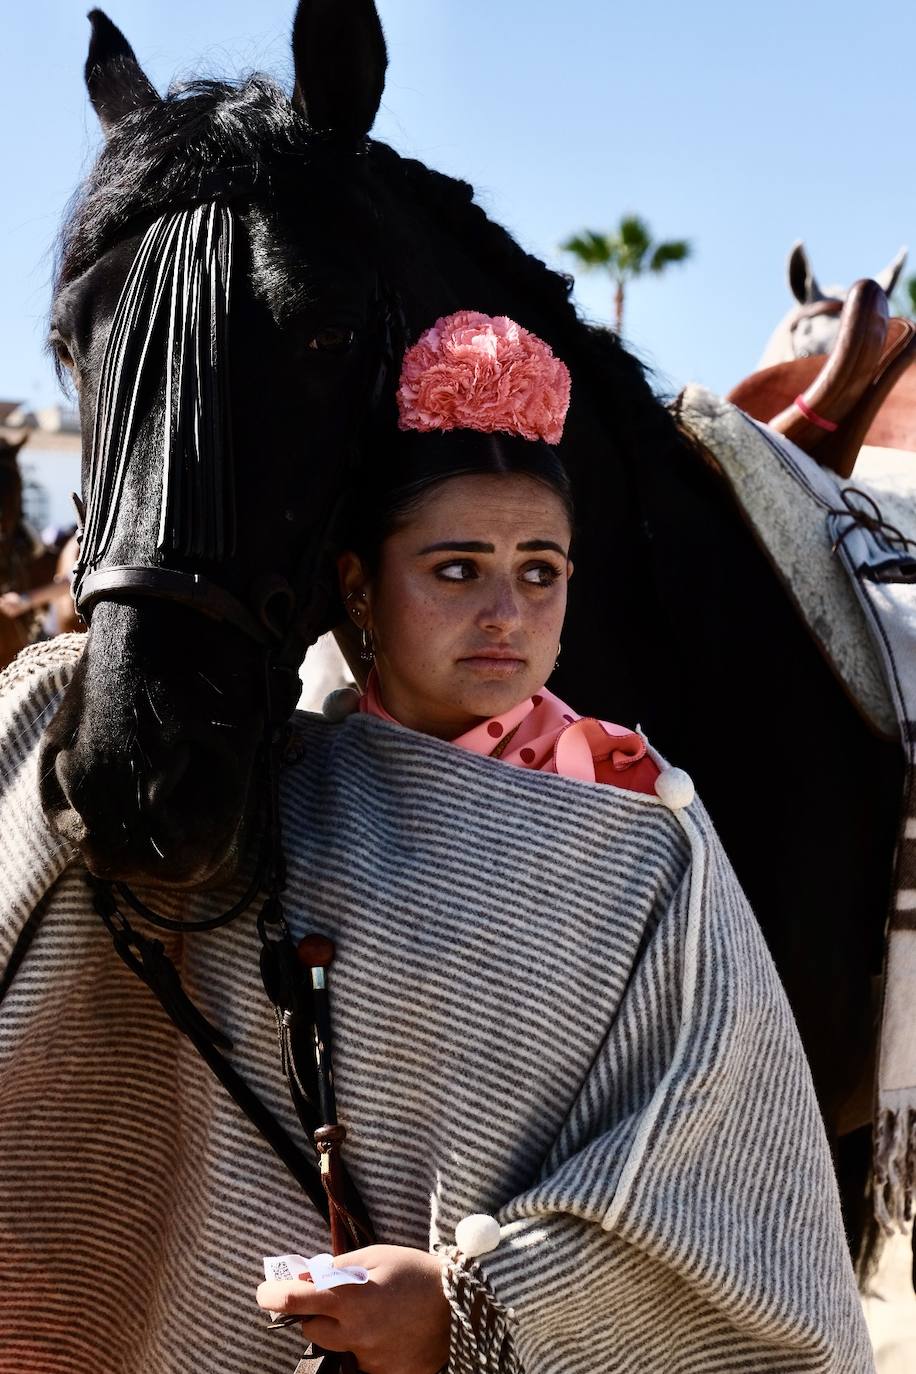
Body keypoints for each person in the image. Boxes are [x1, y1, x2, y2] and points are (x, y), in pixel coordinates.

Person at [0, 314, 871, 1374]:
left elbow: (723, 1168)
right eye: (457, 570)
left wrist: (470, 1307)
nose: (507, 611)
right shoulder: (268, 804)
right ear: (359, 585)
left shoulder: (641, 825)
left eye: (539, 570)